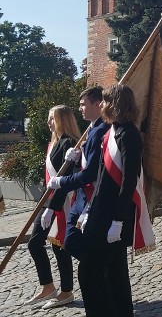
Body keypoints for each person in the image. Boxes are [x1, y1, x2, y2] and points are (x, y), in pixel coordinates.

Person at [80, 83, 146, 317]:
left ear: (116, 104)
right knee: (112, 271)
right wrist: (89, 208)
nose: (102, 105)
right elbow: (101, 177)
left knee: (94, 270)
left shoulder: (129, 134)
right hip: (101, 211)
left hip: (114, 216)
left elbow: (129, 181)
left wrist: (118, 220)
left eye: (106, 101)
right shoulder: (111, 132)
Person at [26, 105, 79, 309]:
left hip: (61, 202)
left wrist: (53, 207)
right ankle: (48, 286)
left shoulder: (69, 144)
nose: (48, 122)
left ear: (62, 120)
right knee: (35, 243)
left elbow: (65, 179)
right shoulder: (54, 144)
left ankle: (66, 291)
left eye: (52, 119)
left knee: (59, 247)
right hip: (48, 201)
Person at [47, 87, 109, 262]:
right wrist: (77, 159)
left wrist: (61, 182)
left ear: (98, 104)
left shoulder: (100, 130)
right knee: (72, 242)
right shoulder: (92, 128)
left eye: (83, 104)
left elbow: (91, 172)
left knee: (77, 245)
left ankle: (99, 274)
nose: (80, 108)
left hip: (90, 197)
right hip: (82, 198)